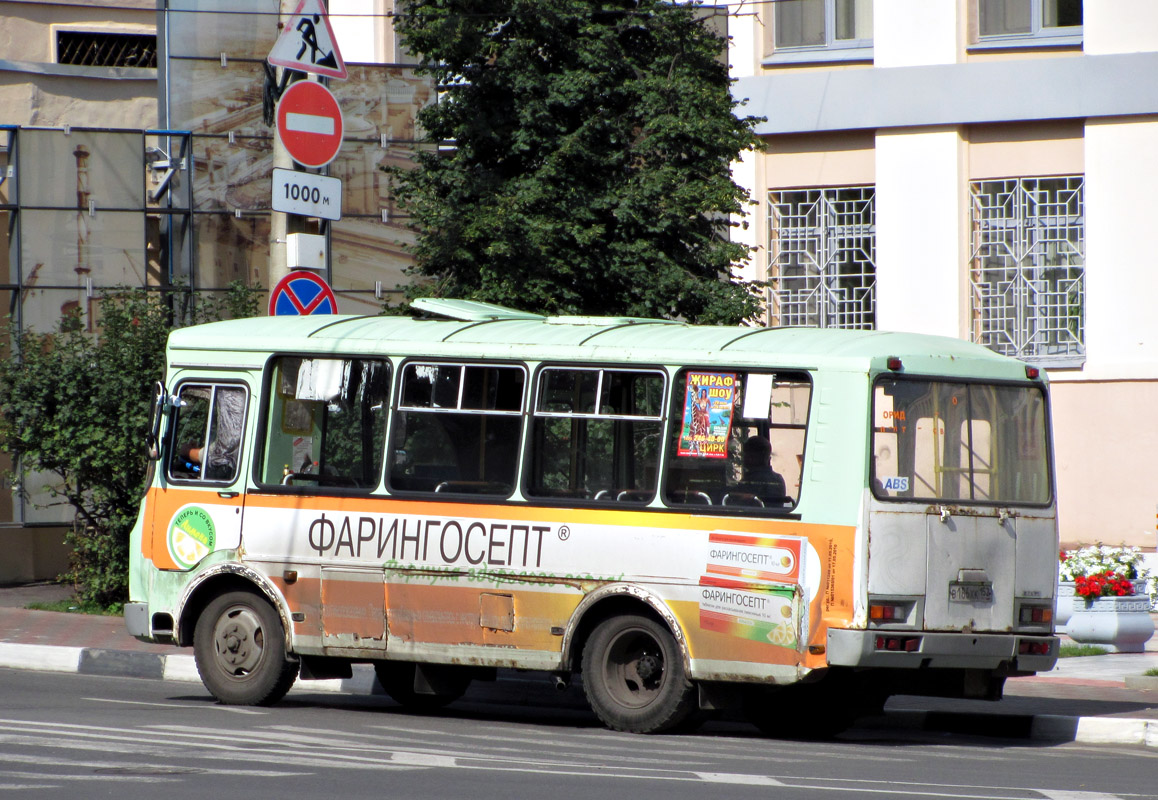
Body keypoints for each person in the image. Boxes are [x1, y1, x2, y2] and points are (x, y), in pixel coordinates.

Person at [739, 435, 787, 503]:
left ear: (752, 457)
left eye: (746, 455)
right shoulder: (778, 479)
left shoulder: (750, 481)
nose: (744, 459)